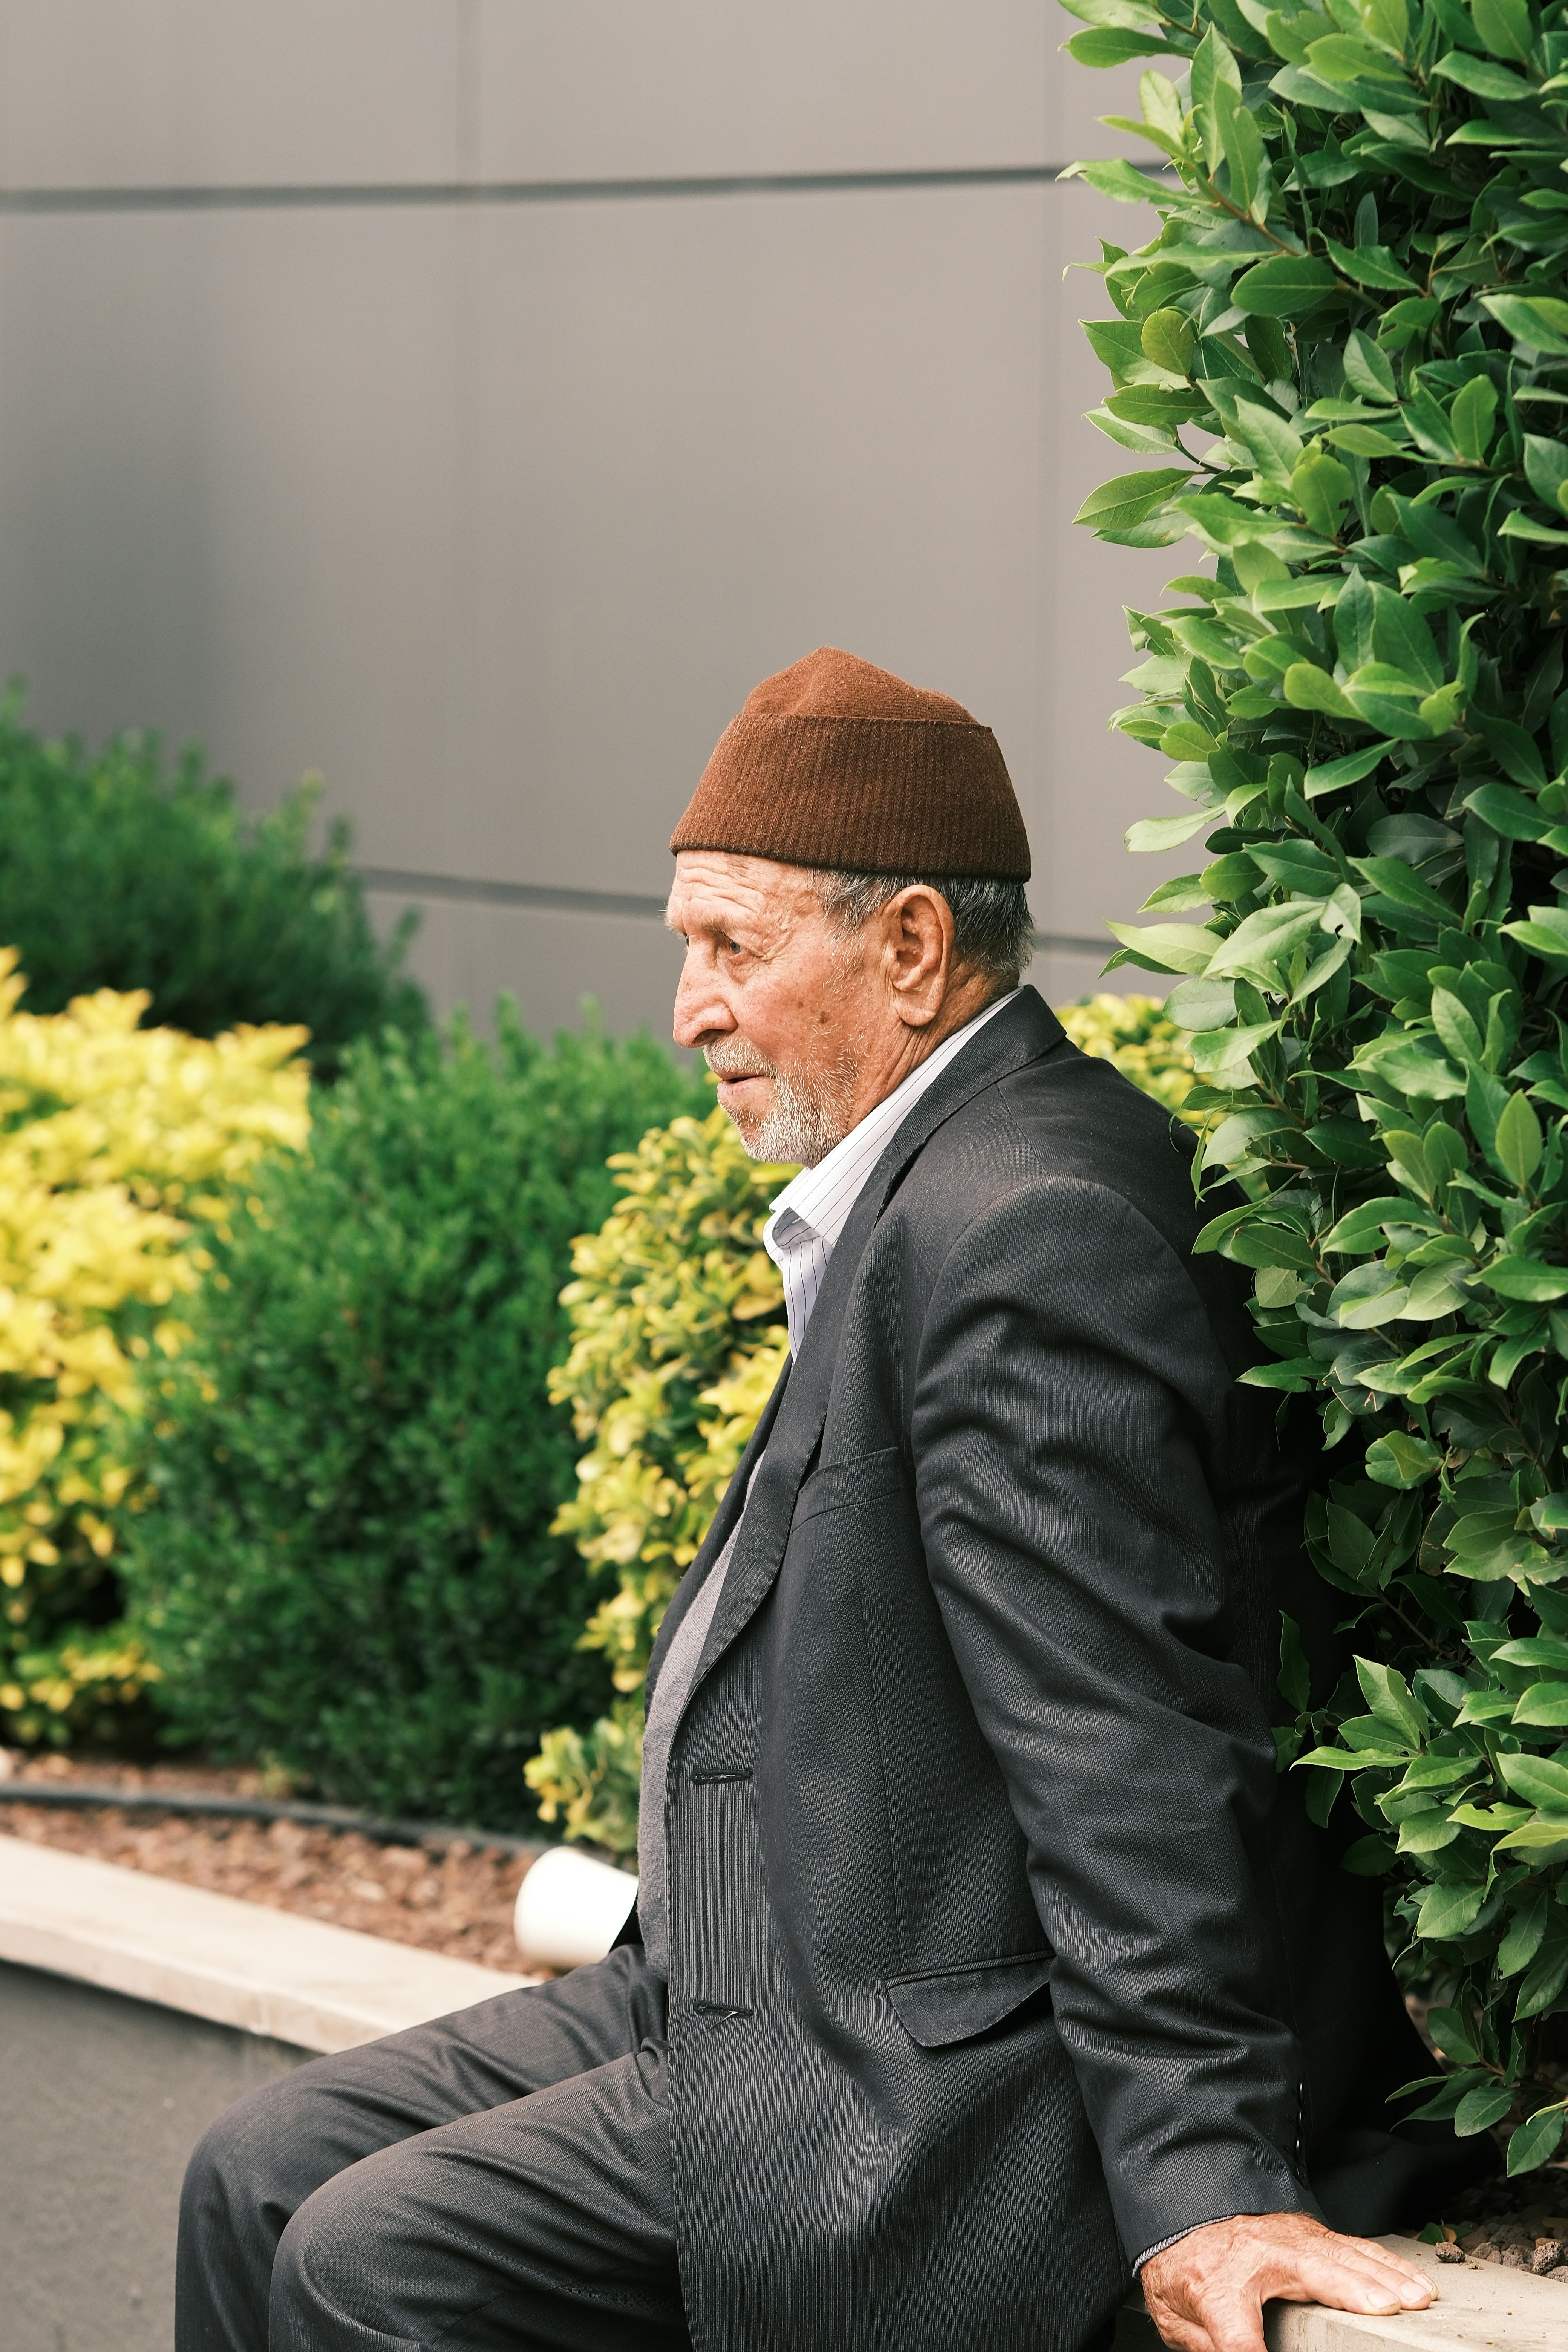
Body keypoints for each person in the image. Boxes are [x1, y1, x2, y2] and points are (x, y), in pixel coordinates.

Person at [178, 648, 1472, 2352]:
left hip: (922, 2078)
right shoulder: (941, 1178)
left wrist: (1203, 2175)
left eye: (733, 947)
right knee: (252, 2174)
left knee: (376, 2264)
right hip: (740, 1984)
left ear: (913, 949)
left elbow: (1124, 1745)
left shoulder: (1031, 1224)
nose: (687, 1009)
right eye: (684, 951)